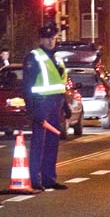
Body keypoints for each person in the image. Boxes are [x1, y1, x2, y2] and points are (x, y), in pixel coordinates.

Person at [22, 23, 68, 191]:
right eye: (47, 38)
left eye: (53, 38)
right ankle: (35, 179)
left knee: (52, 142)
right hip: (41, 103)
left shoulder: (57, 58)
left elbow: (61, 82)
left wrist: (66, 104)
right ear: (41, 39)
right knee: (38, 143)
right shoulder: (34, 57)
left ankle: (49, 178)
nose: (51, 41)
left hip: (56, 103)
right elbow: (27, 84)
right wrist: (31, 108)